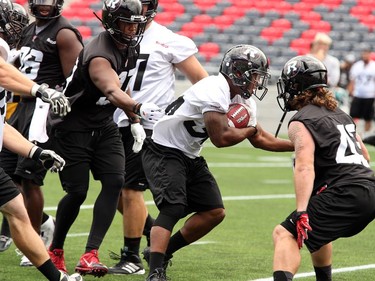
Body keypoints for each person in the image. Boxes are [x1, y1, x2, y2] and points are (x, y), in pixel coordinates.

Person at [141, 44, 294, 281]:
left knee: (214, 211)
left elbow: (262, 139)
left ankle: (162, 251)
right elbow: (221, 138)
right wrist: (251, 129)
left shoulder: (244, 101)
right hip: (164, 148)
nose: (257, 82)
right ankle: (155, 272)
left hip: (188, 153)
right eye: (254, 76)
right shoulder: (214, 87)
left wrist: (301, 146)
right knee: (173, 207)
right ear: (239, 72)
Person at [47, 0, 161, 277]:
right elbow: (111, 89)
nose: (133, 29)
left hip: (103, 124)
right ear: (111, 22)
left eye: (136, 23)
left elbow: (121, 88)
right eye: (127, 23)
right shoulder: (99, 52)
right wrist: (138, 109)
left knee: (115, 181)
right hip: (72, 126)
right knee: (77, 193)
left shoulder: (129, 46)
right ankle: (55, 249)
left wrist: (133, 121)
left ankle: (90, 254)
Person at [109, 0, 209, 275]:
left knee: (131, 189)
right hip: (115, 119)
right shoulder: (117, 34)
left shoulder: (168, 40)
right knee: (114, 188)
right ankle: (154, 234)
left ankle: (131, 258)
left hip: (147, 125)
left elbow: (202, 82)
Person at [272, 55, 375, 281]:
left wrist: (301, 211)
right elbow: (364, 155)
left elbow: (305, 166)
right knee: (317, 233)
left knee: (285, 234)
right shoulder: (341, 114)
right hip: (369, 189)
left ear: (297, 85)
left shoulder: (301, 120)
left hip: (346, 192)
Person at [0, 0, 83, 266]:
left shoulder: (64, 32)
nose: (44, 6)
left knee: (29, 178)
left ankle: (34, 237)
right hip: (19, 106)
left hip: (43, 110)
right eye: (40, 2)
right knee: (9, 174)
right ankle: (43, 224)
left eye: (50, 2)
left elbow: (75, 78)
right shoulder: (28, 29)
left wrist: (58, 110)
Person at [0, 0, 30, 252]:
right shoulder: (4, 50)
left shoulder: (14, 51)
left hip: (10, 123)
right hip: (12, 118)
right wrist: (38, 89)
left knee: (15, 181)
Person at [348, 47, 375, 137]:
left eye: (366, 54)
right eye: (363, 54)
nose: (365, 56)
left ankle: (365, 135)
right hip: (358, 94)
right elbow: (352, 80)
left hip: (370, 95)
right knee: (353, 115)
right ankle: (352, 133)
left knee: (368, 117)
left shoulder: (373, 66)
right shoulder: (357, 65)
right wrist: (350, 91)